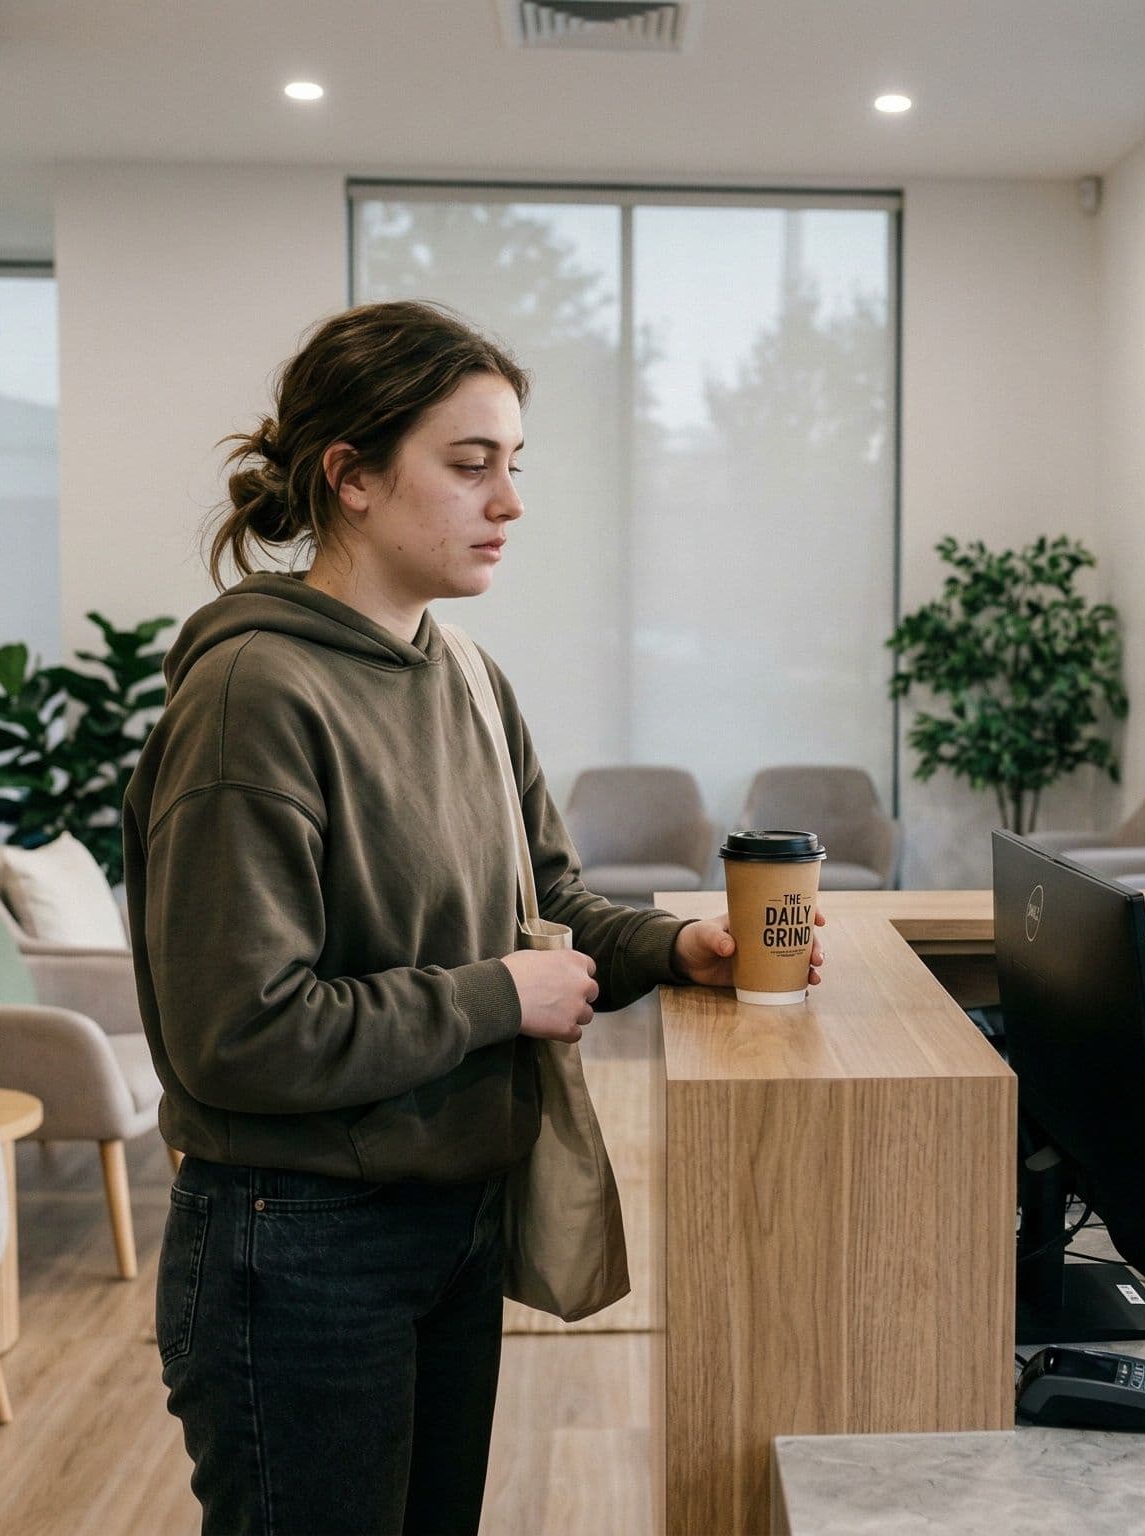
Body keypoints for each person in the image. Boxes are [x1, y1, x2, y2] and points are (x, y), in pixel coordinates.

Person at [123, 300, 818, 1535]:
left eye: (514, 465)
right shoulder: (253, 696)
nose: (508, 501)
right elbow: (238, 1031)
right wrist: (501, 997)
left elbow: (541, 897)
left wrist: (678, 947)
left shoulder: (466, 674)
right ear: (351, 477)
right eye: (469, 464)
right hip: (294, 1248)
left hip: (449, 1219)